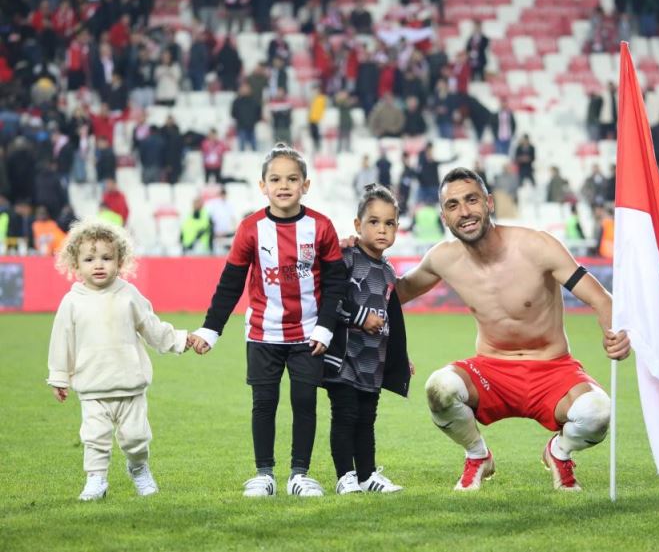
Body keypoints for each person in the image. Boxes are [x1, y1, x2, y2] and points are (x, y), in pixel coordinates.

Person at [396, 168, 630, 491]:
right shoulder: (442, 259)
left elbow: (602, 299)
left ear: (489, 203)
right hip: (491, 372)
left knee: (598, 413)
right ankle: (478, 455)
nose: (464, 212)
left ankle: (559, 452)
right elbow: (394, 295)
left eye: (471, 200)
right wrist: (359, 256)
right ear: (444, 217)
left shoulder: (537, 246)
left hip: (552, 370)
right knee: (439, 388)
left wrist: (614, 334)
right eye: (453, 205)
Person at [191, 144, 348, 497]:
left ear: (305, 185)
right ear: (262, 185)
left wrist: (325, 326)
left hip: (309, 335)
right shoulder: (250, 229)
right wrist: (211, 329)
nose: (284, 185)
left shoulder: (321, 227)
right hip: (263, 334)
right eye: (275, 179)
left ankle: (299, 475)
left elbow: (337, 282)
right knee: (264, 404)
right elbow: (230, 284)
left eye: (292, 178)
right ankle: (264, 475)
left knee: (305, 402)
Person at [46, 220, 197, 500]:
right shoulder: (72, 302)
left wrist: (179, 339)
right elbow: (61, 341)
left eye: (106, 258)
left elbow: (151, 327)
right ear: (76, 265)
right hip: (92, 388)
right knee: (95, 439)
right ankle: (96, 480)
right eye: (89, 259)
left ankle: (138, 468)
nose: (99, 264)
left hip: (130, 385)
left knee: (136, 438)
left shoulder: (128, 295)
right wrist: (58, 376)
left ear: (120, 261)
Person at [323, 184, 411, 494]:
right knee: (345, 415)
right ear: (358, 225)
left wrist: (399, 358)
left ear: (397, 228)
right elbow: (327, 300)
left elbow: (390, 320)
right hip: (345, 357)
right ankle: (345, 476)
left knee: (367, 419)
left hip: (373, 360)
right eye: (374, 222)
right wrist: (360, 318)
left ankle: (367, 474)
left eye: (389, 223)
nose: (382, 229)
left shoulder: (388, 271)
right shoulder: (346, 257)